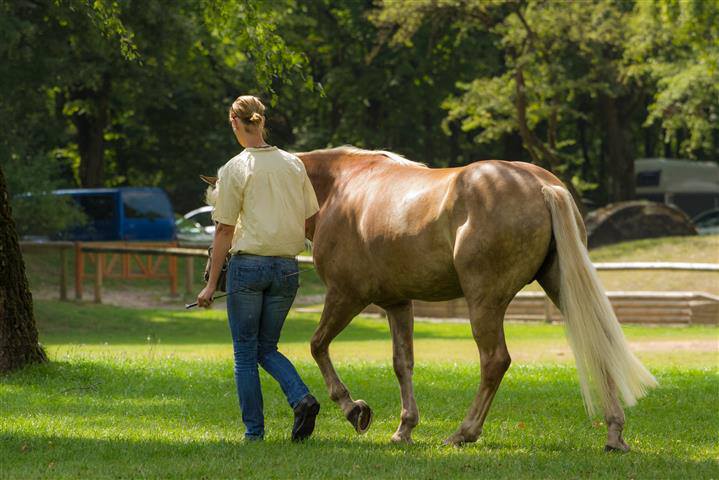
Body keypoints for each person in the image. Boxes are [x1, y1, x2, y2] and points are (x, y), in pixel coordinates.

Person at [197, 95, 320, 442]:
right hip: (286, 268)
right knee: (267, 347)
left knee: (245, 353)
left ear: (235, 123)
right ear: (262, 122)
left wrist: (209, 287)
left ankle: (254, 433)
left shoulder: (236, 168)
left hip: (248, 268)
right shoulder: (294, 164)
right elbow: (311, 217)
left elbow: (223, 230)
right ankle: (302, 398)